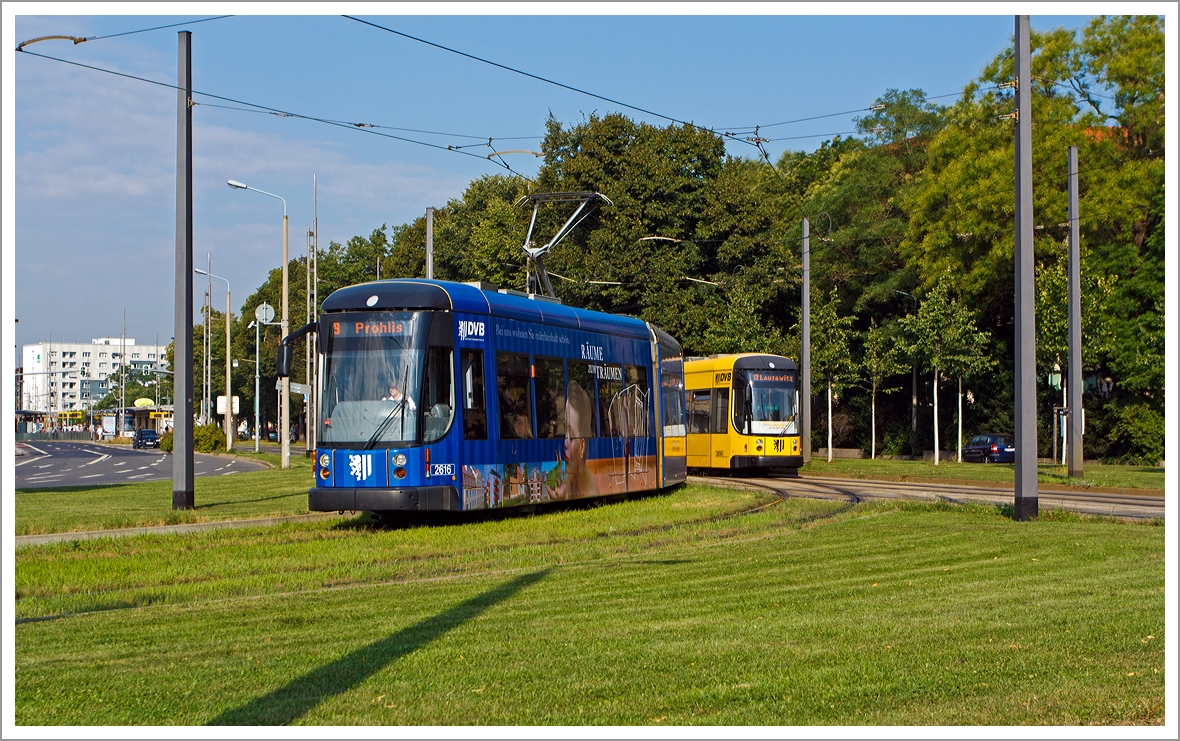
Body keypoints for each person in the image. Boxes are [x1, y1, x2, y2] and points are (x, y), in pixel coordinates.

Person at [555, 380, 596, 500]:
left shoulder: (592, 491)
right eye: (565, 433)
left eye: (572, 436)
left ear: (582, 447)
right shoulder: (571, 476)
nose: (565, 443)